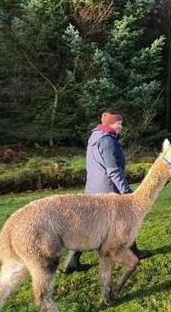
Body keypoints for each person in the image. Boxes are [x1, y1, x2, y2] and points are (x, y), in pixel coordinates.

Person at [62, 110, 152, 273]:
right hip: (108, 190)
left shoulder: (95, 137)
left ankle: (73, 260)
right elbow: (113, 170)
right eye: (119, 123)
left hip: (93, 189)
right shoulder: (108, 141)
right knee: (128, 219)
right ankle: (133, 252)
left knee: (89, 225)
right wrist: (126, 192)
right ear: (110, 124)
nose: (121, 127)